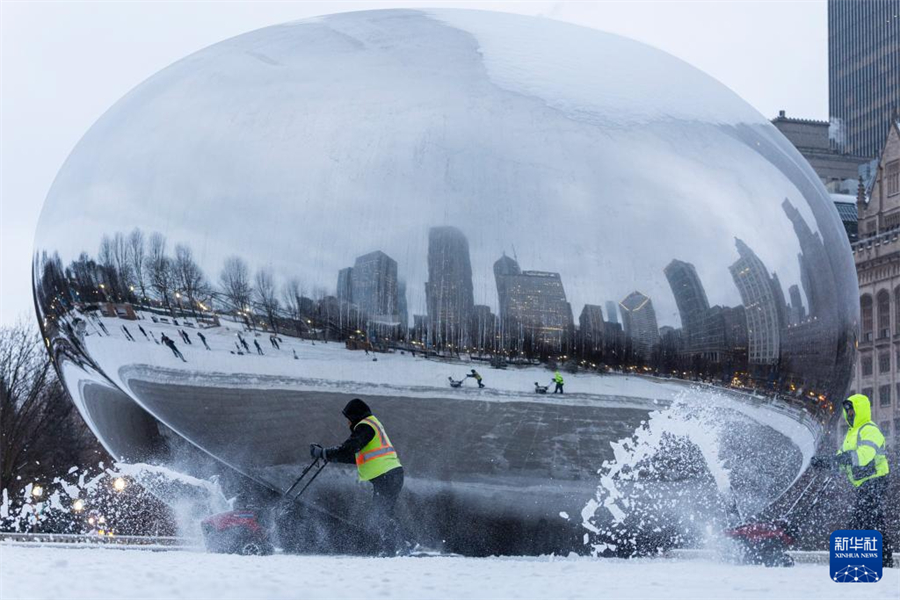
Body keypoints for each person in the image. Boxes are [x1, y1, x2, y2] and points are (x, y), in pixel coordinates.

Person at [310, 398, 406, 555]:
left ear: (355, 417)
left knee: (380, 516)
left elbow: (348, 449)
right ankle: (394, 548)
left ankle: (399, 547)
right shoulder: (369, 426)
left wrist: (322, 453)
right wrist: (327, 455)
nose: (347, 424)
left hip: (387, 476)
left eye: (348, 419)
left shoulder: (365, 427)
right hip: (389, 476)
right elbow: (353, 457)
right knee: (382, 514)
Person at [811, 394, 892, 568]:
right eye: (847, 412)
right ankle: (883, 561)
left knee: (862, 517)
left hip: (876, 479)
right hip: (864, 483)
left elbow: (863, 455)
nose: (849, 415)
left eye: (852, 411)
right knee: (872, 520)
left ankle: (866, 560)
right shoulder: (851, 434)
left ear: (860, 410)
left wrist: (844, 459)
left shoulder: (870, 430)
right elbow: (842, 460)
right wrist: (825, 462)